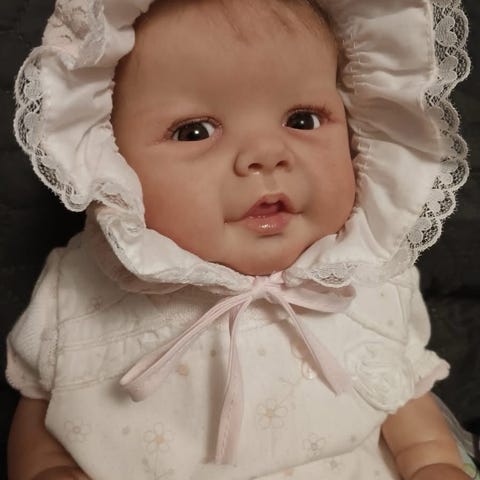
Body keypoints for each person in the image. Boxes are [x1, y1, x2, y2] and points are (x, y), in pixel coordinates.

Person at [5, 0, 476, 479]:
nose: (266, 154)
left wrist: (432, 462)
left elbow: (402, 399)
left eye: (303, 120)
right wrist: (47, 469)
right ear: (110, 158)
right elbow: (44, 406)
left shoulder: (366, 280)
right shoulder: (81, 288)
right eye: (194, 131)